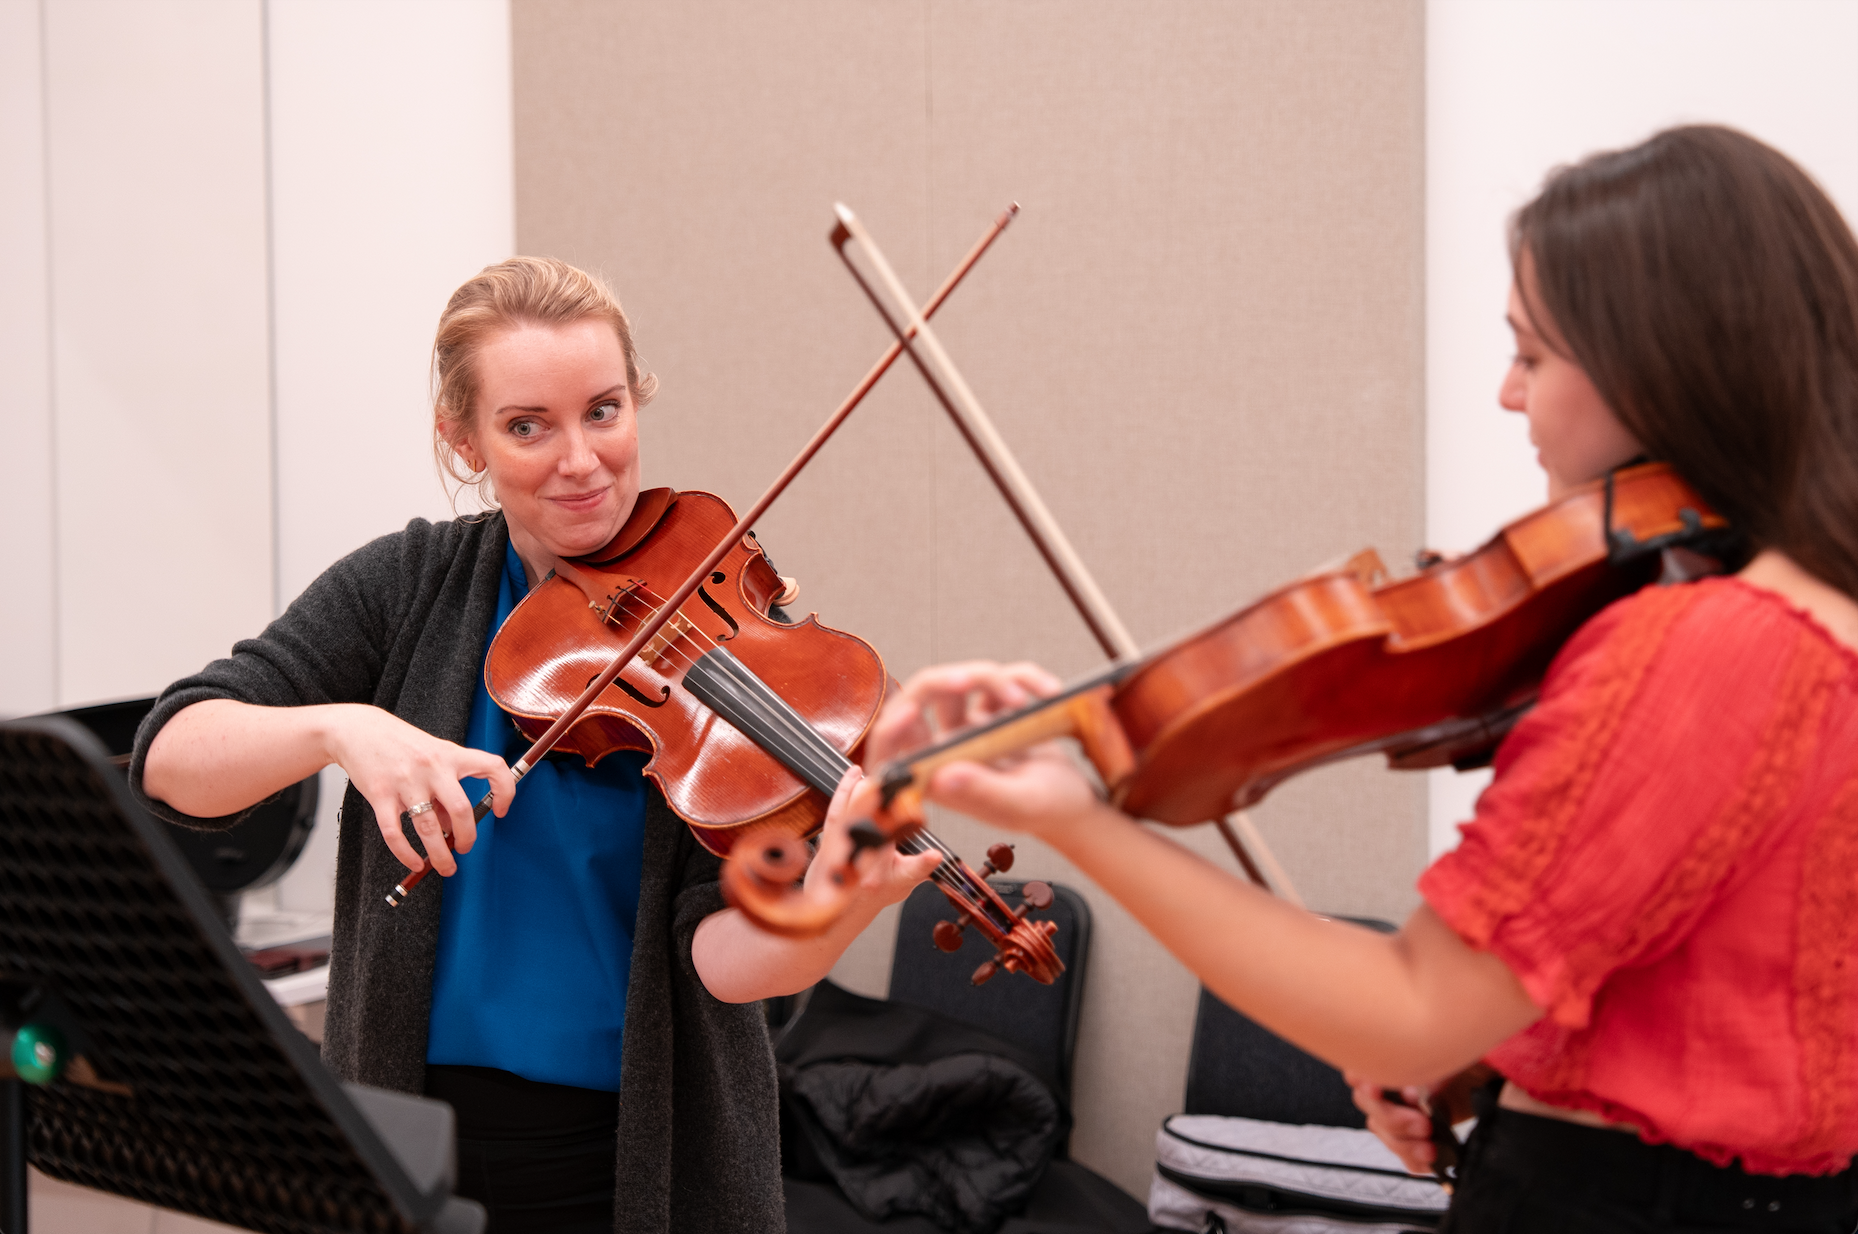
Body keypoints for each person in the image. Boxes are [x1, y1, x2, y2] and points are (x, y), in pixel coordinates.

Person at [848, 126, 1858, 1230]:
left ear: (1664, 369)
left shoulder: (1706, 643)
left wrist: (1080, 821)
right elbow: (1736, 992)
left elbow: (1412, 1004)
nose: (1507, 395)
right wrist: (1480, 1061)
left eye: (1532, 353)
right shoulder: (1820, 618)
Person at [132, 256, 938, 1234]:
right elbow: (173, 755)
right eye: (528, 425)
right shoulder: (406, 587)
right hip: (407, 1135)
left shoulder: (721, 629)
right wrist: (345, 728)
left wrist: (837, 900)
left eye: (603, 410)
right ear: (462, 439)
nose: (581, 459)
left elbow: (721, 966)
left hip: (633, 1156)